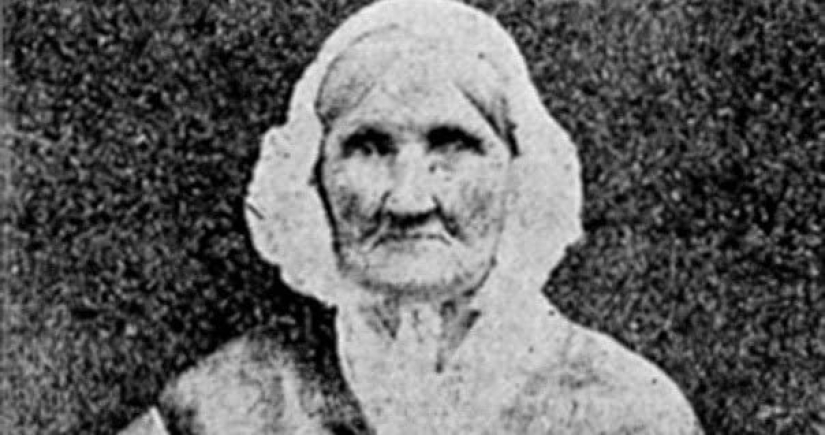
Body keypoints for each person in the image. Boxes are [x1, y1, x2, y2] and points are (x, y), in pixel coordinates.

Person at [119, 0, 704, 433]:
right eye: (368, 148)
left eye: (452, 145)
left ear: (520, 174)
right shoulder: (216, 409)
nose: (408, 200)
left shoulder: (627, 411)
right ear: (311, 177)